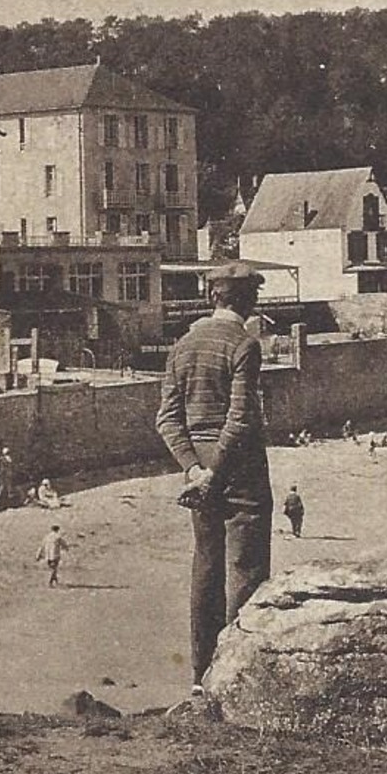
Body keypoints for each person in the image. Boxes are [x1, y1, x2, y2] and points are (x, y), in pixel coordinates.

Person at [155, 262, 273, 701]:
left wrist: (192, 469)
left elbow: (166, 419)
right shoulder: (244, 344)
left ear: (212, 297)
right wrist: (215, 473)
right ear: (249, 301)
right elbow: (240, 420)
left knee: (206, 561)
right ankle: (239, 671)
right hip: (236, 463)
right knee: (247, 564)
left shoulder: (182, 346)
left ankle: (200, 675)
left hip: (199, 462)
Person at [0, 446, 16, 512]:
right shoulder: (3, 460)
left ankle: (8, 505)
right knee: (3, 491)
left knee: (9, 491)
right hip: (4, 477)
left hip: (8, 477)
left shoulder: (9, 459)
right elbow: (2, 470)